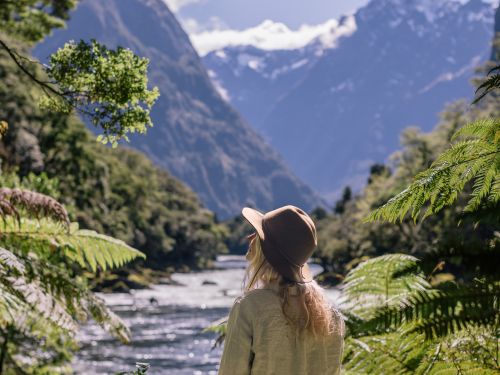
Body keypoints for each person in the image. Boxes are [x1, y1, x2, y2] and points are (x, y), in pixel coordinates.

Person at [218, 205, 345, 375]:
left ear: (268, 251)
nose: (249, 237)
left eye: (258, 233)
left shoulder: (249, 308)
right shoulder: (331, 316)